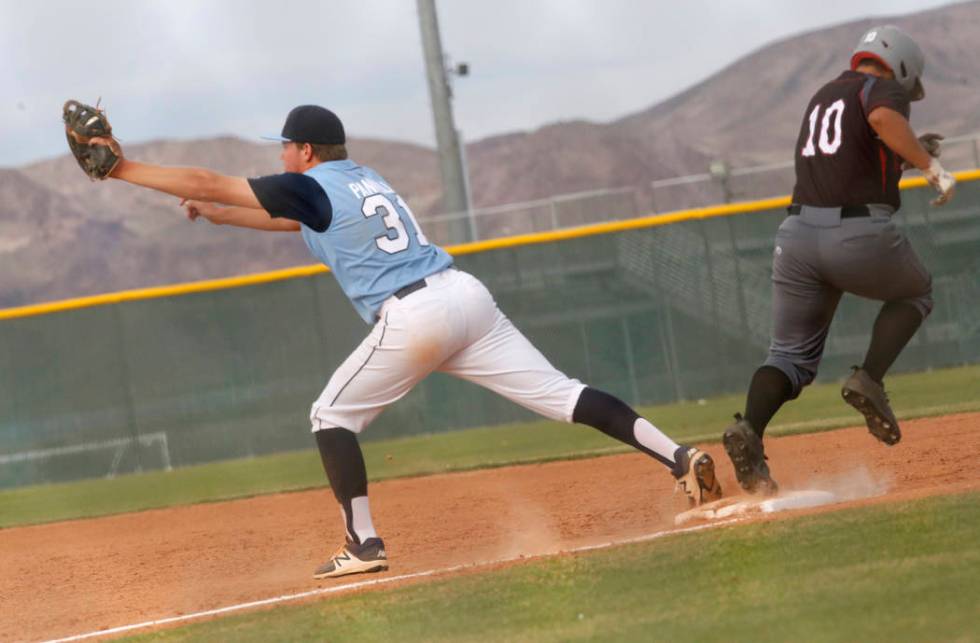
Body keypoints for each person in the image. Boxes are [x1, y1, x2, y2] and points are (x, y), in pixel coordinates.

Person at [85, 104, 722, 579]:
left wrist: (122, 169)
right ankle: (680, 457)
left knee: (330, 416)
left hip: (414, 316)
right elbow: (282, 220)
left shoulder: (308, 184)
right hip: (465, 296)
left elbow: (207, 178)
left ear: (305, 151)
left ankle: (363, 544)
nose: (281, 157)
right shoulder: (362, 179)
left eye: (284, 148)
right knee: (566, 394)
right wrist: (218, 216)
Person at [720, 25, 957, 495]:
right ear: (901, 67)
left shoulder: (823, 96)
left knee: (788, 357)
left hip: (797, 238)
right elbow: (885, 120)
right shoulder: (883, 89)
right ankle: (869, 377)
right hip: (856, 234)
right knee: (917, 291)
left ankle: (750, 430)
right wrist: (933, 170)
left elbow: (848, 156)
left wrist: (908, 156)